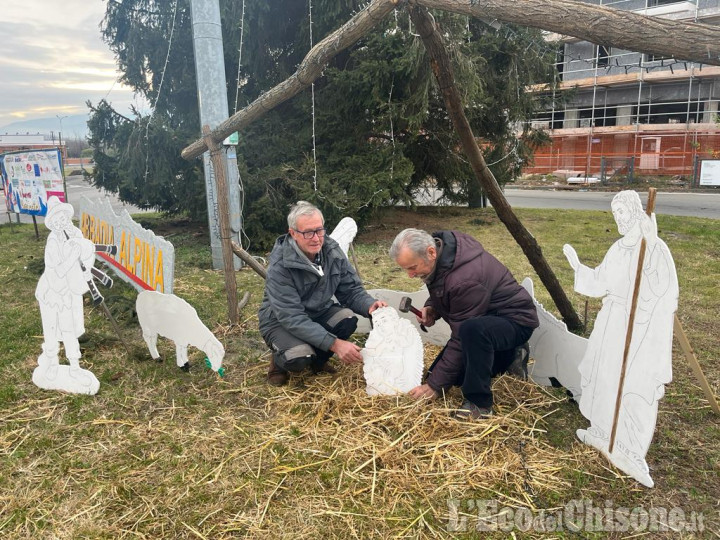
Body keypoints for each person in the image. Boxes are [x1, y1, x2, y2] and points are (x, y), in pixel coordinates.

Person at [563, 190, 677, 487]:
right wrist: (580, 269)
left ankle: (632, 449)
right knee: (605, 376)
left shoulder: (653, 247)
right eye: (615, 215)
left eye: (622, 213)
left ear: (635, 211)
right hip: (612, 325)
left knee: (633, 385)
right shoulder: (618, 247)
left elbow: (663, 288)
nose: (618, 219)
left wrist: (651, 245)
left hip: (639, 328)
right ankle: (602, 431)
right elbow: (601, 280)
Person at [389, 228, 539, 419]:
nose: (410, 275)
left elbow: (461, 336)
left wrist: (435, 386)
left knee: (471, 333)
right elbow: (443, 288)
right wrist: (432, 308)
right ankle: (509, 356)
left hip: (515, 321)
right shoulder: (443, 256)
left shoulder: (465, 278)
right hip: (487, 318)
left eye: (412, 268)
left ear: (431, 252)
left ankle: (480, 405)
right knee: (455, 378)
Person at [259, 201, 387, 386]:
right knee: (298, 356)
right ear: (293, 233)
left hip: (317, 311)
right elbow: (292, 317)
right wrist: (335, 344)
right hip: (280, 321)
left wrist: (369, 304)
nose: (316, 238)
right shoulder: (280, 266)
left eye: (319, 230)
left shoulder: (331, 250)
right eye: (308, 232)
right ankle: (278, 364)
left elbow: (350, 289)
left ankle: (317, 361)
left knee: (347, 319)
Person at [35, 196, 94, 385]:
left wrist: (80, 246)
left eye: (63, 218)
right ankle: (52, 364)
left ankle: (75, 366)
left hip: (68, 290)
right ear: (51, 223)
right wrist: (72, 256)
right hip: (51, 292)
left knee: (69, 328)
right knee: (51, 328)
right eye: (56, 220)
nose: (61, 222)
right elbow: (58, 271)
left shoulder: (73, 232)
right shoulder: (52, 242)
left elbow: (85, 251)